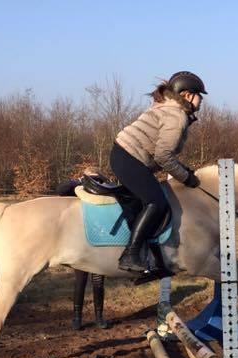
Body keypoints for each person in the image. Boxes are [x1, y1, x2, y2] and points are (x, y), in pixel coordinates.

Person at [112, 71, 206, 281]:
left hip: (125, 156)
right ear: (188, 94)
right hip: (128, 158)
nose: (202, 100)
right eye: (200, 95)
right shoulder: (176, 115)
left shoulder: (168, 108)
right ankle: (130, 255)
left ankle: (150, 258)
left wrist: (183, 169)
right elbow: (164, 156)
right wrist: (187, 178)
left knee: (150, 201)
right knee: (157, 202)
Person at [56, 167, 111, 330]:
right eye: (92, 179)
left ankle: (99, 317)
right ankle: (77, 317)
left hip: (100, 241)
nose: (95, 182)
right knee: (80, 280)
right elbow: (60, 190)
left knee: (98, 281)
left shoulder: (104, 192)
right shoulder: (78, 191)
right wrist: (81, 181)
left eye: (97, 179)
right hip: (81, 241)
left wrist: (103, 183)